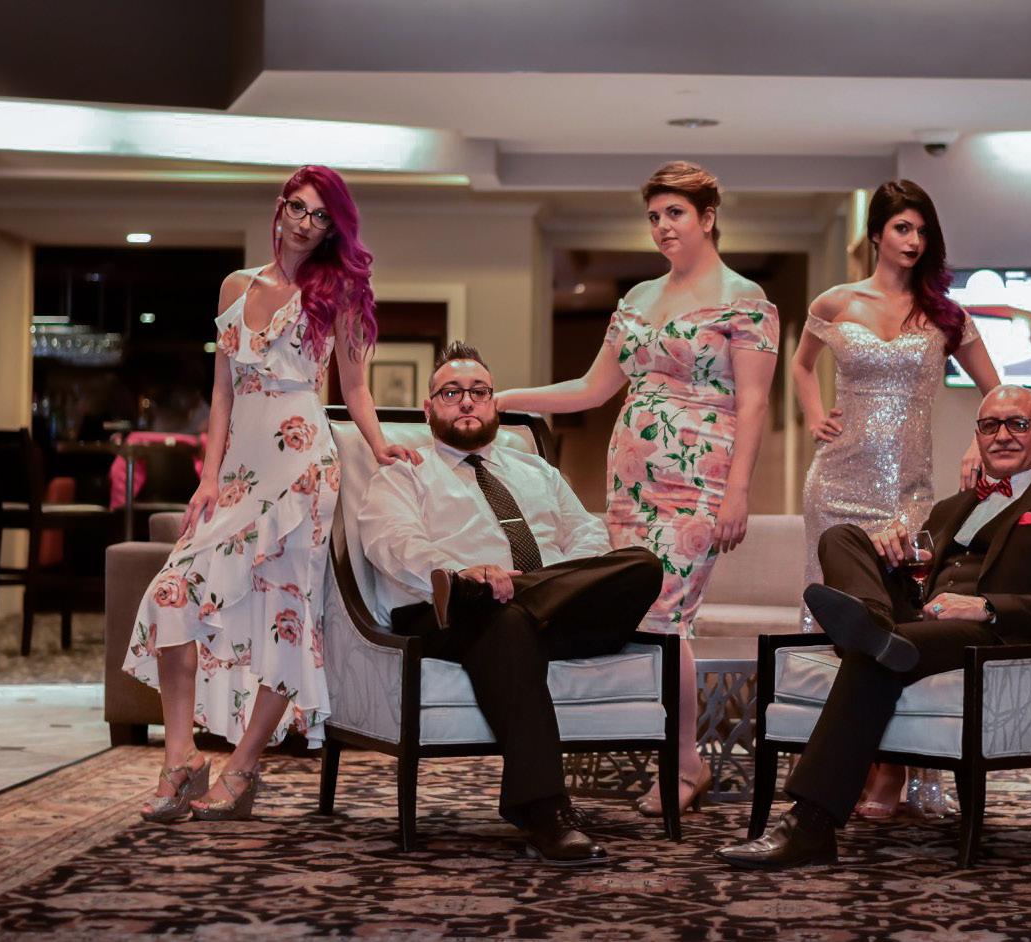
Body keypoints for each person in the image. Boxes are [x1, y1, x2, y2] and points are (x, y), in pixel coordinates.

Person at [125, 166, 419, 823]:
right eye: (298, 208)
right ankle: (181, 760)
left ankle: (243, 767)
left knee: (287, 616)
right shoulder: (237, 286)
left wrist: (378, 445)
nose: (306, 223)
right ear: (280, 208)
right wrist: (208, 478)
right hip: (238, 476)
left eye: (320, 216)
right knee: (172, 595)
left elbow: (355, 387)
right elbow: (222, 392)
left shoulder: (337, 291)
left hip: (304, 472)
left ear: (332, 228)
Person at [717, 385, 1031, 869]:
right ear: (978, 437)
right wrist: (892, 557)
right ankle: (872, 622)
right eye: (990, 425)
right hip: (921, 619)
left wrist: (986, 606)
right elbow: (921, 576)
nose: (1003, 435)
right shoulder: (951, 507)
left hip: (988, 635)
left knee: (879, 653)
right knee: (843, 537)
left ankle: (810, 825)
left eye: (1018, 424)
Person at [497, 161, 778, 817]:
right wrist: (506, 397)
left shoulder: (745, 298)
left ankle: (685, 765)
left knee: (665, 616)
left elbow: (755, 402)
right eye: (654, 216)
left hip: (701, 480)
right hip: (631, 484)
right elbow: (592, 388)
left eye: (675, 213)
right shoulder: (638, 298)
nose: (662, 227)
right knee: (641, 612)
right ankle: (676, 757)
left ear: (708, 217)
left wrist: (739, 492)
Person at [357, 342, 662, 866]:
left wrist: (551, 583)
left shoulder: (537, 470)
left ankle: (531, 594)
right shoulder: (405, 473)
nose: (467, 401)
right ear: (429, 409)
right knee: (504, 621)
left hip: (548, 608)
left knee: (641, 564)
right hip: (451, 612)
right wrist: (463, 572)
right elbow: (393, 542)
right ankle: (544, 811)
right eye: (451, 393)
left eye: (479, 392)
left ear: (493, 402)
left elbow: (586, 533)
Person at [794, 179, 1001, 820]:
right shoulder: (836, 301)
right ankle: (861, 765)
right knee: (845, 625)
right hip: (835, 484)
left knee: (897, 618)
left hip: (905, 491)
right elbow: (800, 365)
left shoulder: (944, 314)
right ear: (877, 233)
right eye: (902, 228)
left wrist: (979, 443)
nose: (913, 241)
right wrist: (813, 414)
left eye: (922, 230)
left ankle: (894, 769)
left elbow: (997, 393)